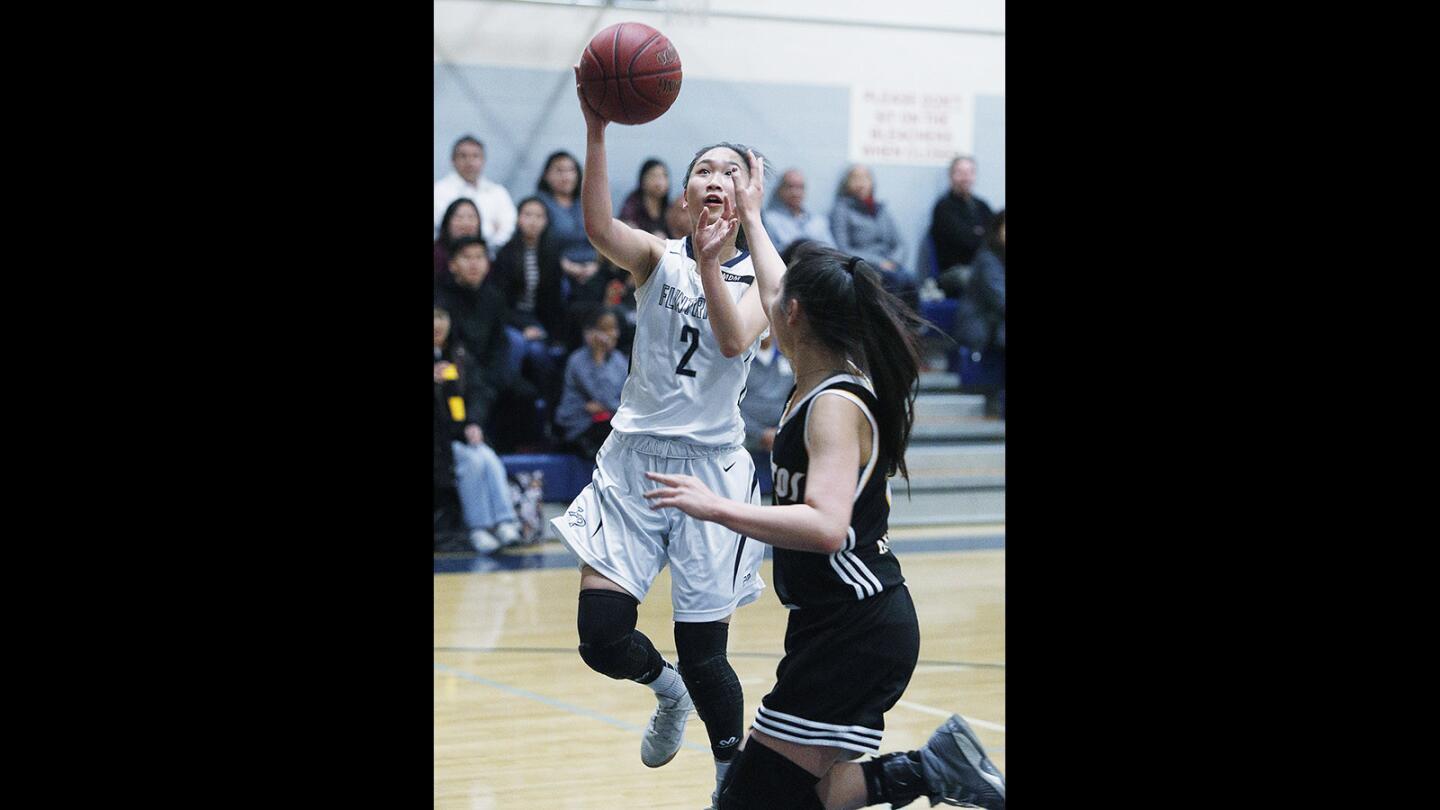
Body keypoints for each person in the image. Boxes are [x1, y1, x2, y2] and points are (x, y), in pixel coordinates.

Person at [642, 241, 1007, 809]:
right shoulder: (814, 375)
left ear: (792, 315)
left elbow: (828, 525)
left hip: (857, 628)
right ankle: (933, 768)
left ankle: (932, 769)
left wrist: (716, 507)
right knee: (797, 794)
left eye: (777, 301)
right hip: (833, 625)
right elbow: (775, 285)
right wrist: (751, 216)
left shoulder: (835, 403)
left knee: (747, 800)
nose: (766, 303)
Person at [552, 64, 788, 808]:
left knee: (706, 649)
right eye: (701, 170)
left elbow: (729, 340)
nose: (714, 177)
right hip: (632, 464)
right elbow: (597, 228)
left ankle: (729, 773)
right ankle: (667, 694)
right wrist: (596, 129)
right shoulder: (657, 257)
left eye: (730, 170)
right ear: (684, 197)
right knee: (600, 634)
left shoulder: (767, 279)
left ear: (749, 192)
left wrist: (723, 257)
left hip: (711, 475)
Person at [434, 235, 544, 453]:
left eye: (479, 257)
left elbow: (499, 344)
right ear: (453, 265)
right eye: (466, 257)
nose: (474, 263)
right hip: (456, 373)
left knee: (525, 394)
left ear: (487, 264)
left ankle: (512, 455)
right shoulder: (440, 298)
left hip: (487, 373)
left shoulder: (493, 297)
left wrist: (493, 379)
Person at [434, 307, 524, 553]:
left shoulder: (459, 354)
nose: (437, 324)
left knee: (488, 458)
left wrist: (474, 422)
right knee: (471, 463)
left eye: (442, 317)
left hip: (461, 433)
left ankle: (505, 523)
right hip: (438, 441)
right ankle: (478, 528)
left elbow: (479, 391)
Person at [491, 195, 570, 413]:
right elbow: (498, 302)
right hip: (510, 318)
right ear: (518, 219)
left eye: (539, 216)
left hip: (538, 319)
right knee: (518, 344)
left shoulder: (551, 253)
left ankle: (545, 406)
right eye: (528, 215)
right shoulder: (506, 253)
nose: (533, 221)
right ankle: (507, 400)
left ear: (546, 221)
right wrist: (522, 326)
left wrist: (554, 335)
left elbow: (554, 302)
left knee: (542, 352)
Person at [829, 163, 919, 315]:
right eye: (855, 178)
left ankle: (913, 329)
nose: (861, 183)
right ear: (847, 184)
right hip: (862, 264)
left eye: (865, 178)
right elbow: (842, 248)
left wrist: (893, 261)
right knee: (894, 281)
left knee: (910, 279)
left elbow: (900, 244)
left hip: (890, 263)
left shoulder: (881, 209)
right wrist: (879, 263)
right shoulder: (841, 209)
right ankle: (890, 328)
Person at [949, 210, 1005, 418]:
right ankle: (994, 397)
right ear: (997, 229)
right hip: (980, 320)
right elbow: (999, 298)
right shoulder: (987, 257)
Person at [554, 306, 628, 461]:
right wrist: (598, 358)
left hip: (608, 421)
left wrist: (607, 407)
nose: (611, 334)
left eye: (613, 328)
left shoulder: (620, 360)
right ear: (589, 333)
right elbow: (603, 395)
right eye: (604, 329)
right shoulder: (577, 361)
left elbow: (624, 403)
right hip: (578, 424)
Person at [434, 135, 516, 252]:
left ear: (483, 160)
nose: (469, 162)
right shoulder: (438, 190)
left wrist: (488, 244)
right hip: (448, 255)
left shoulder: (498, 192)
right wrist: (490, 229)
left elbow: (508, 227)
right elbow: (443, 225)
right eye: (463, 156)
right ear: (453, 160)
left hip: (491, 255)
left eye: (475, 156)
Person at [738, 331, 793, 488]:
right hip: (747, 437)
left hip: (781, 433)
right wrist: (759, 433)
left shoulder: (789, 357)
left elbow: (797, 396)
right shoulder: (740, 358)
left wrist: (782, 430)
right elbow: (731, 403)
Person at [929, 155, 996, 275]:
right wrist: (980, 234)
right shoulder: (943, 208)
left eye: (970, 172)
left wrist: (978, 234)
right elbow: (965, 241)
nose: (966, 178)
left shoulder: (982, 206)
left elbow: (996, 236)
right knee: (984, 278)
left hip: (983, 266)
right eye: (960, 173)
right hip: (954, 270)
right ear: (951, 176)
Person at [762, 169, 835, 255]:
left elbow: (832, 250)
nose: (795, 193)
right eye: (790, 187)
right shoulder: (769, 220)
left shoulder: (819, 221)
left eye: (800, 187)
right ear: (780, 190)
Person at [619, 158, 675, 239]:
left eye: (664, 176)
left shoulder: (669, 208)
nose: (659, 182)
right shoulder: (632, 203)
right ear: (643, 180)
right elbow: (627, 226)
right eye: (654, 176)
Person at [434, 197, 483, 282]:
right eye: (459, 217)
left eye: (471, 217)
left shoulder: (485, 254)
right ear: (447, 221)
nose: (465, 224)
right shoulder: (436, 254)